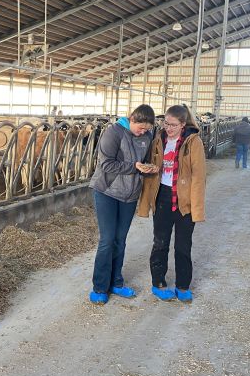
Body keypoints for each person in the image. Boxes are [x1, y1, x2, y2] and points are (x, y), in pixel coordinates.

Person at [88, 104, 156, 304]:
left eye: (147, 129)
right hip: (107, 191)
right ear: (132, 120)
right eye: (140, 127)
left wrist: (149, 167)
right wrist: (134, 167)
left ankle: (116, 282)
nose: (143, 132)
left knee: (120, 240)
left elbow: (145, 159)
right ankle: (100, 286)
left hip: (129, 194)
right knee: (107, 240)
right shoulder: (114, 132)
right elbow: (106, 163)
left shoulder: (147, 137)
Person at [137, 104, 206, 303]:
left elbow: (199, 177)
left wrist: (197, 208)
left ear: (183, 124)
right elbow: (152, 164)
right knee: (160, 243)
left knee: (183, 245)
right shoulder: (158, 139)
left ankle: (183, 285)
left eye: (173, 125)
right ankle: (158, 283)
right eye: (166, 123)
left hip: (184, 199)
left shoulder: (194, 142)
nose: (168, 128)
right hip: (162, 197)